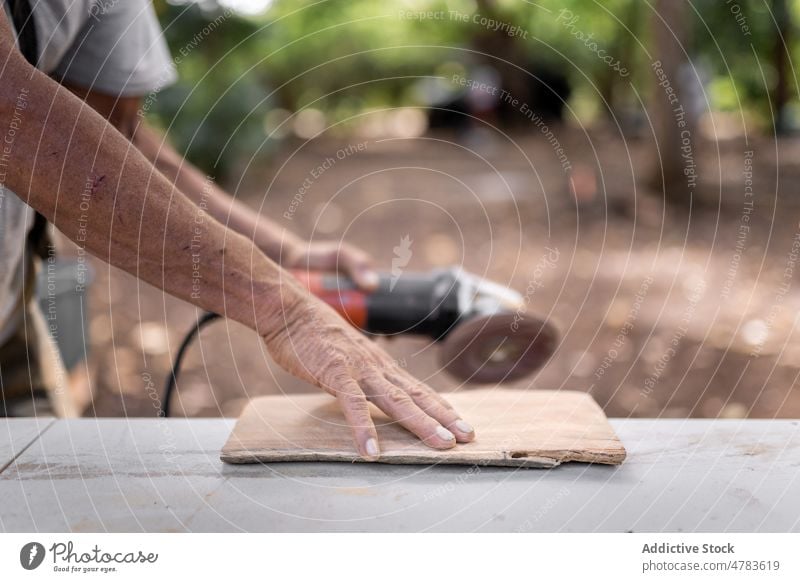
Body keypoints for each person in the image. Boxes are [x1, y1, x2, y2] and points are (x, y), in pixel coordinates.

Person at [0, 0, 475, 459]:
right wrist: (283, 309)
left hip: (11, 314)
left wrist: (284, 256)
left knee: (46, 488)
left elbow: (112, 133)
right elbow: (10, 111)